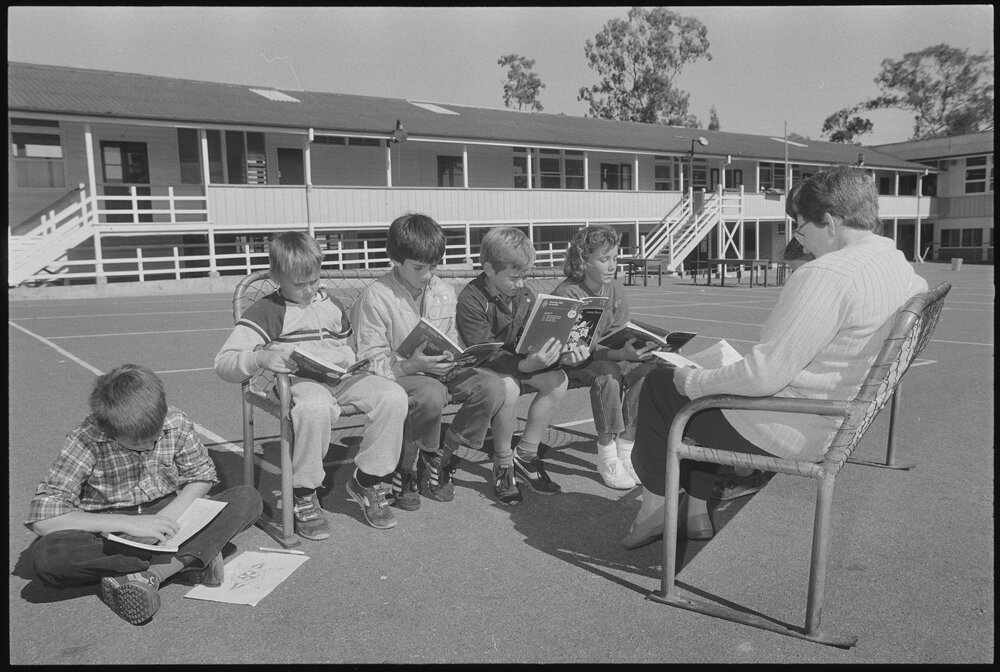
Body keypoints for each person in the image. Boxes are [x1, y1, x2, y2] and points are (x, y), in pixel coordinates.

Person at [623, 165, 929, 548]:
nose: (801, 242)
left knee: (663, 386)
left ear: (830, 223)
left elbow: (764, 376)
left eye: (801, 229)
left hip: (796, 429)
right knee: (698, 399)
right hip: (842, 419)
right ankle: (696, 512)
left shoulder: (827, 274)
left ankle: (654, 510)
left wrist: (693, 380)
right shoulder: (902, 267)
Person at [24, 364, 263, 625]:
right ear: (108, 430)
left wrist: (165, 518)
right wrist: (130, 525)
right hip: (108, 525)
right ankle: (186, 560)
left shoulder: (176, 421)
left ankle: (155, 573)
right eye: (137, 444)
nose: (149, 446)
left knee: (246, 499)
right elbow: (44, 517)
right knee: (49, 557)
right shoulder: (86, 439)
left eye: (155, 437)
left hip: (171, 512)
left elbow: (202, 475)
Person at [215, 231, 408, 538]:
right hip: (299, 384)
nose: (308, 291)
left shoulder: (331, 304)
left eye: (314, 281)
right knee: (315, 406)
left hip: (340, 380)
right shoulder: (268, 310)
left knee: (393, 396)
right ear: (278, 277)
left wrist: (357, 359)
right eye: (299, 284)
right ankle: (304, 493)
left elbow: (346, 346)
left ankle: (367, 482)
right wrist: (261, 358)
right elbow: (224, 363)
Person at [350, 213, 508, 509]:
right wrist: (410, 366)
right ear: (395, 260)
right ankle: (407, 467)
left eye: (433, 266)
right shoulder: (375, 296)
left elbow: (448, 337)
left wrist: (453, 357)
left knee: (492, 387)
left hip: (438, 370)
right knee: (430, 394)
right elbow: (369, 361)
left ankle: (441, 456)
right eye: (419, 267)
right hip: (398, 375)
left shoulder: (443, 291)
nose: (427, 275)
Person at [456, 226, 588, 503]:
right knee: (509, 388)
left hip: (518, 361)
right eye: (514, 277)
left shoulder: (524, 295)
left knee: (557, 380)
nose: (520, 284)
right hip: (484, 369)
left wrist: (561, 352)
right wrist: (526, 366)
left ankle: (526, 456)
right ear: (489, 269)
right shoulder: (470, 299)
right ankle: (503, 462)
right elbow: (484, 353)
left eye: (525, 276)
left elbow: (532, 336)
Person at [551, 225, 660, 490]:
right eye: (604, 259)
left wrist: (634, 350)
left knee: (649, 366)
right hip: (571, 360)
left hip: (606, 354)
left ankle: (626, 448)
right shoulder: (568, 294)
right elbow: (575, 348)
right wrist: (618, 353)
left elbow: (618, 332)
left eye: (615, 258)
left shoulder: (614, 289)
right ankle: (607, 454)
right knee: (608, 374)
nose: (612, 266)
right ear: (583, 261)